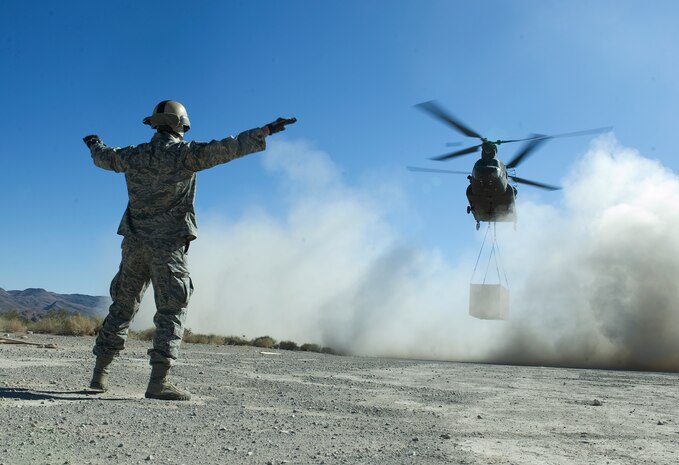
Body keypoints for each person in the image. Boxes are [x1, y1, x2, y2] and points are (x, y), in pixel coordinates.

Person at [83, 100, 295, 401]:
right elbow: (228, 148)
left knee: (122, 305)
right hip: (167, 246)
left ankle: (99, 375)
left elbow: (103, 158)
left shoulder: (133, 156)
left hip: (134, 244)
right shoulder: (184, 154)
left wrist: (94, 144)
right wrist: (265, 130)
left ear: (156, 124)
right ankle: (158, 382)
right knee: (171, 309)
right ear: (181, 124)